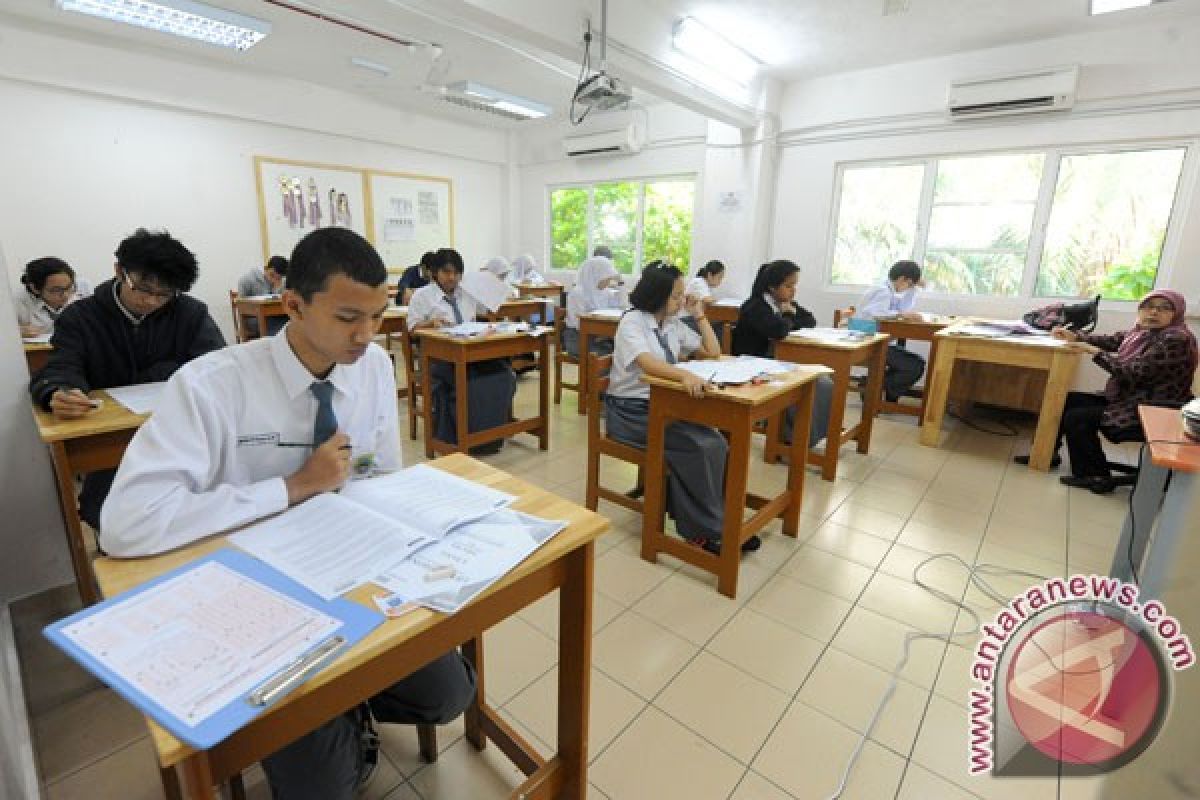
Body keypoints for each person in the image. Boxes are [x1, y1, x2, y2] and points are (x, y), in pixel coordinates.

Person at [99, 227, 475, 800]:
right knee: (321, 788)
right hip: (261, 592)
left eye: (378, 315)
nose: (367, 335)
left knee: (448, 696)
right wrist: (293, 487)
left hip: (353, 570)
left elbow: (380, 474)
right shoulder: (212, 386)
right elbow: (127, 525)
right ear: (292, 304)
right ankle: (327, 715)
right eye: (349, 316)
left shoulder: (372, 366)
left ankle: (346, 702)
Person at [30, 228, 225, 531]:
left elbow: (214, 365)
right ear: (120, 271)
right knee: (110, 517)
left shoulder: (190, 313)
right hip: (111, 445)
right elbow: (61, 367)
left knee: (199, 510)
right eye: (144, 289)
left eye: (164, 294)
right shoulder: (81, 317)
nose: (152, 301)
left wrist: (158, 373)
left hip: (181, 434)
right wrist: (58, 391)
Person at [604, 264, 761, 554]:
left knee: (716, 440)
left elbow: (713, 353)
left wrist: (699, 315)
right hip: (630, 413)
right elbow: (649, 364)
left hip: (666, 406)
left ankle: (715, 519)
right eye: (676, 296)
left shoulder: (672, 323)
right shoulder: (633, 322)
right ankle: (702, 531)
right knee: (698, 446)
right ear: (657, 295)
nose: (681, 300)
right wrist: (684, 375)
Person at [1014, 289, 1198, 493]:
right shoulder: (1143, 333)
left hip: (1153, 409)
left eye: (1164, 308)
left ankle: (1094, 475)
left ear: (1177, 313)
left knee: (1078, 417)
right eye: (1148, 307)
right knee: (1065, 400)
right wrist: (1075, 336)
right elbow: (1112, 340)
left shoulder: (1176, 339)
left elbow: (1132, 373)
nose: (1153, 313)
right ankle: (1046, 453)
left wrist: (1093, 352)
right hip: (1129, 399)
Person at [408, 248, 516, 455]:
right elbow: (412, 329)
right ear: (434, 273)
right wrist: (430, 323)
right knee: (472, 384)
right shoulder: (422, 296)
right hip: (439, 360)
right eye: (447, 272)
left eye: (457, 273)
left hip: (471, 354)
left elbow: (491, 309)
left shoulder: (467, 292)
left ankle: (491, 436)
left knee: (504, 375)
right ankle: (468, 440)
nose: (452, 278)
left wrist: (489, 283)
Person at [732, 260, 833, 449]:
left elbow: (810, 320)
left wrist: (791, 313)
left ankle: (804, 438)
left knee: (825, 383)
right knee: (810, 385)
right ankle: (790, 439)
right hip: (754, 364)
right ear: (771, 286)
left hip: (778, 362)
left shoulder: (785, 302)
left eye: (794, 285)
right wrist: (787, 316)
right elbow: (778, 330)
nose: (793, 290)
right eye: (788, 286)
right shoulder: (755, 306)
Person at [854, 259, 926, 403]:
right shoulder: (883, 291)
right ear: (902, 279)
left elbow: (903, 308)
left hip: (874, 339)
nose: (908, 288)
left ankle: (878, 387)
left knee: (916, 362)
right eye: (909, 284)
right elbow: (877, 312)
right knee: (915, 365)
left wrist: (913, 289)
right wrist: (902, 315)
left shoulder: (889, 290)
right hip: (867, 342)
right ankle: (873, 386)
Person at [563, 254, 625, 357]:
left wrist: (621, 283)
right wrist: (603, 335)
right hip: (578, 337)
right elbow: (579, 323)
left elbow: (622, 305)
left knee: (623, 352)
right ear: (595, 276)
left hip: (598, 336)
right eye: (606, 279)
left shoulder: (605, 292)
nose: (609, 282)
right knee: (611, 355)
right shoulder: (578, 293)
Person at [15, 257, 90, 338]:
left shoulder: (80, 296)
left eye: (69, 287)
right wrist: (16, 332)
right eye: (57, 290)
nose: (66, 295)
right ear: (35, 288)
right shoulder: (16, 303)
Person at [238, 255, 289, 336]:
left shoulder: (282, 281)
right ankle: (274, 345)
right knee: (274, 323)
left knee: (291, 319)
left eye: (278, 278)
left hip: (274, 315)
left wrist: (277, 287)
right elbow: (241, 305)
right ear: (266, 268)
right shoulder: (246, 280)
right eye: (271, 275)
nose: (273, 280)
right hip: (253, 319)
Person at [682, 259, 726, 336]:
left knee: (721, 323)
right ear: (709, 275)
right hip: (686, 320)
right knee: (721, 324)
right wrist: (716, 300)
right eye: (719, 277)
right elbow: (708, 299)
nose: (720, 281)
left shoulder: (706, 285)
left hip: (694, 317)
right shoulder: (699, 282)